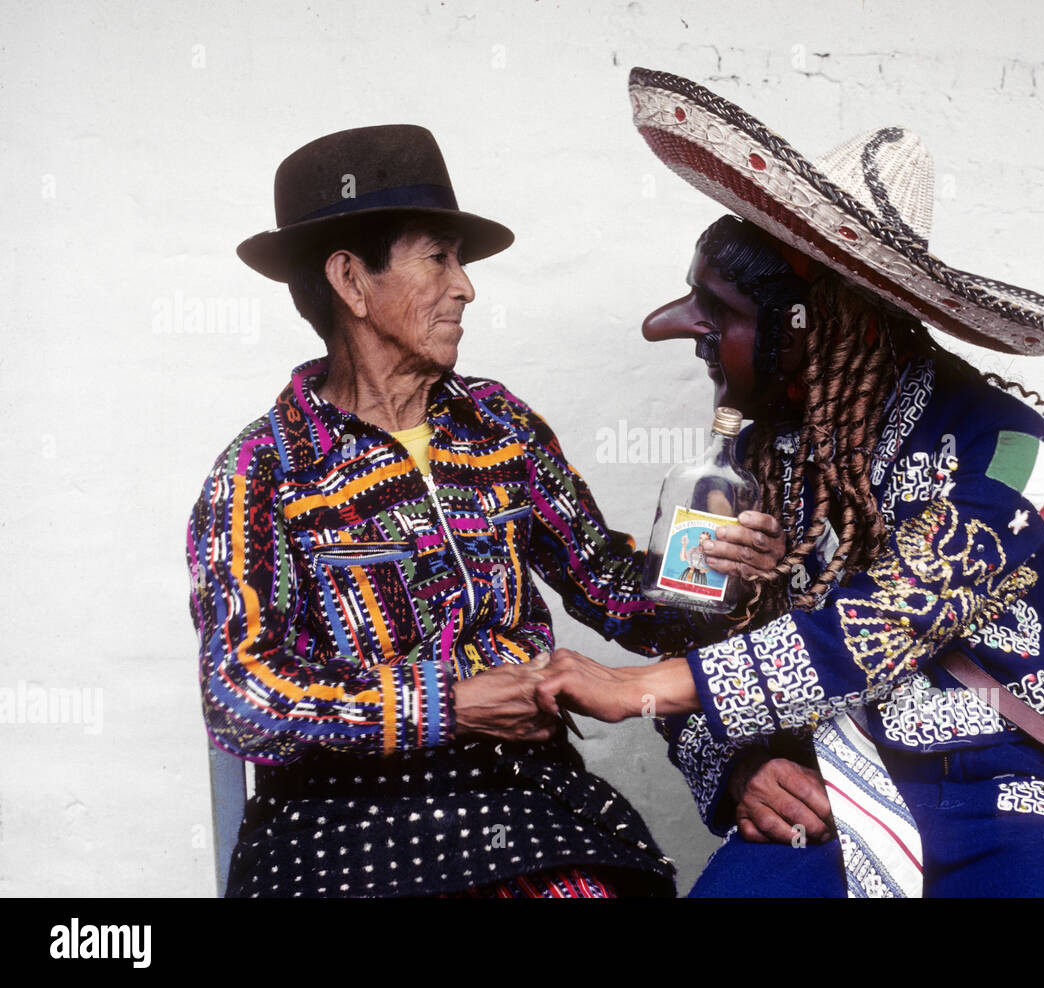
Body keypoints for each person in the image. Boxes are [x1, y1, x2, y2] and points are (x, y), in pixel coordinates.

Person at [538, 68, 1044, 897]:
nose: (678, 325)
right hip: (822, 796)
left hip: (1003, 796)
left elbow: (899, 611)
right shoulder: (742, 468)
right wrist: (742, 765)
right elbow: (685, 632)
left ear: (821, 320)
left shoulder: (1010, 445)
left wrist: (642, 689)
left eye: (719, 309)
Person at [185, 124, 785, 898]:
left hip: (518, 800)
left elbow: (605, 583)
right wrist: (447, 705)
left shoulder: (498, 428)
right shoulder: (265, 471)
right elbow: (240, 698)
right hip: (340, 826)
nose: (466, 286)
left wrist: (719, 574)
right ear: (351, 281)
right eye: (439, 257)